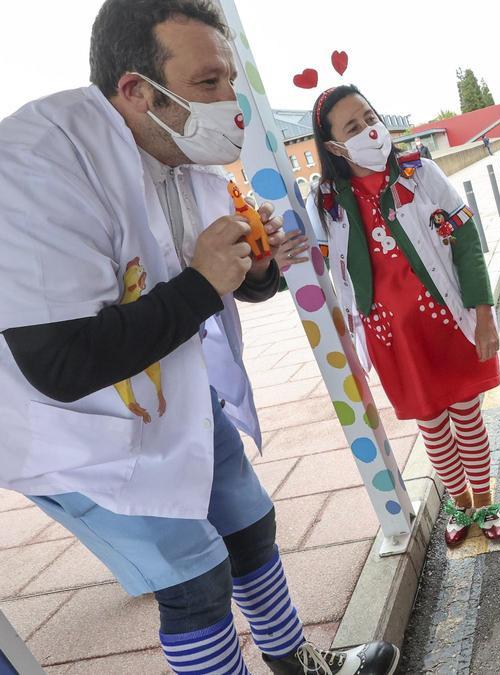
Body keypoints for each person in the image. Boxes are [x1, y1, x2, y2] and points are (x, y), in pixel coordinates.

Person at [0, 2, 398, 674]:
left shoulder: (182, 155)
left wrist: (259, 267)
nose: (229, 102)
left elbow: (225, 276)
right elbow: (58, 362)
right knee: (195, 580)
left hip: (174, 384)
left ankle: (296, 661)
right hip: (76, 428)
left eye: (230, 82)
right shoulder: (39, 161)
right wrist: (203, 280)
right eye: (208, 83)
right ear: (136, 91)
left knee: (250, 523)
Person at [307, 85, 500, 549]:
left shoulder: (422, 173)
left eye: (369, 117)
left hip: (447, 323)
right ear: (336, 146)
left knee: (467, 417)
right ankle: (458, 506)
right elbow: (309, 260)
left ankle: (485, 501)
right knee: (432, 426)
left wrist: (483, 313)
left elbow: (467, 241)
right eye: (353, 127)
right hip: (392, 338)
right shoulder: (328, 203)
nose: (369, 131)